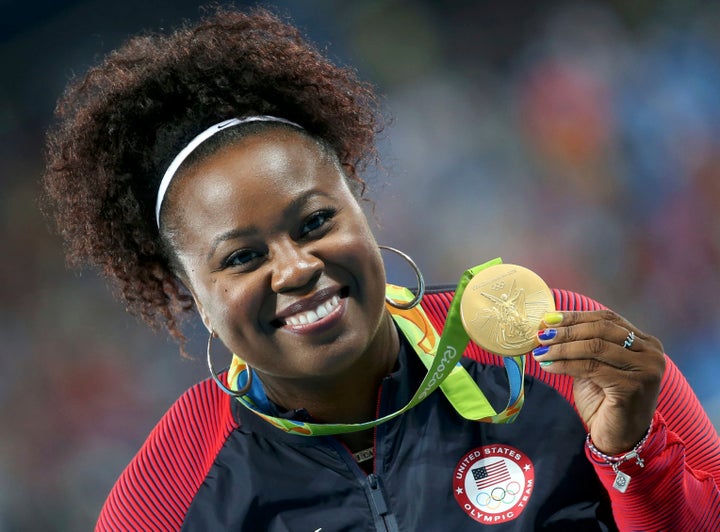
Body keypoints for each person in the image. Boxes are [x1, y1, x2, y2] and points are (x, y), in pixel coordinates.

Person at [41, 7, 720, 531]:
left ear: (361, 207)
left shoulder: (553, 356)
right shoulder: (169, 495)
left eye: (316, 223)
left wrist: (635, 463)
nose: (296, 268)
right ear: (184, 288)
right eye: (243, 258)